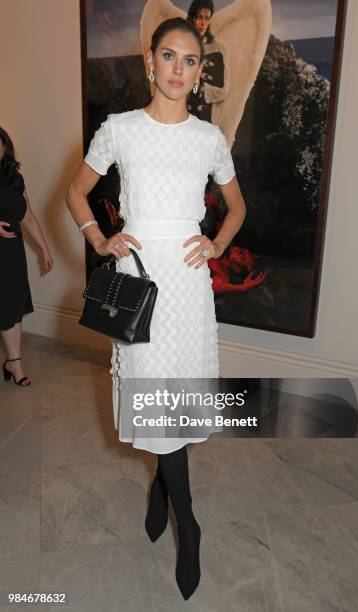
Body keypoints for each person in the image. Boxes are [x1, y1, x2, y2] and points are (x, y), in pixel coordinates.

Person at [66, 17, 246, 600]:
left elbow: (237, 207)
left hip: (189, 285)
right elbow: (75, 191)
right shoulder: (119, 130)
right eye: (167, 56)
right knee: (155, 395)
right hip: (139, 280)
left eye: (189, 61)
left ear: (200, 73)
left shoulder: (208, 139)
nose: (177, 69)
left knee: (178, 399)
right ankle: (187, 522)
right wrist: (99, 239)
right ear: (150, 61)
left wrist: (216, 243)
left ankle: (164, 495)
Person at [0, 128, 53, 386]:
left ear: (4, 148)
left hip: (11, 254)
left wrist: (43, 248)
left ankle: (14, 363)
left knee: (11, 307)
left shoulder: (14, 179)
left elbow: (28, 216)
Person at [186, 0, 229, 122]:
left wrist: (201, 88)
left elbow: (223, 90)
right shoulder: (180, 44)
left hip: (204, 118)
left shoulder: (218, 49)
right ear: (192, 17)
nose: (203, 23)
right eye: (199, 17)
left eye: (207, 18)